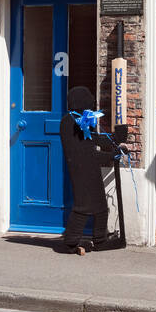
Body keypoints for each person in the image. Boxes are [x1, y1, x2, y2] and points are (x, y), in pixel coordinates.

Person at [58, 86, 128, 253]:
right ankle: (70, 243)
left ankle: (100, 240)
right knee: (83, 207)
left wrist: (114, 142)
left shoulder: (77, 120)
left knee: (100, 207)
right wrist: (112, 156)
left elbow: (93, 139)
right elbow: (88, 153)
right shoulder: (71, 123)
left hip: (90, 170)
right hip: (82, 171)